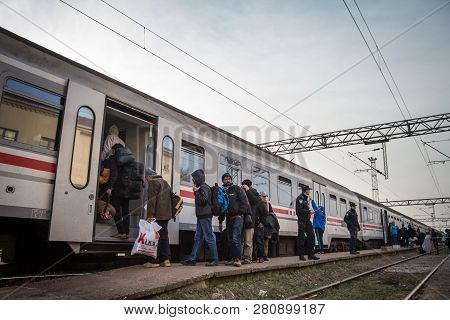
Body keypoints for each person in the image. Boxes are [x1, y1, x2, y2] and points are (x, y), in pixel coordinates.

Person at [181, 169, 219, 267]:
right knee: (198, 238)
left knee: (209, 237)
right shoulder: (202, 186)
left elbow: (204, 200)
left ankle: (214, 260)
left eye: (194, 178)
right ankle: (192, 259)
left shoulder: (203, 187)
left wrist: (196, 192)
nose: (193, 180)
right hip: (202, 215)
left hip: (205, 215)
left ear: (198, 178)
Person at [143, 168, 172, 268]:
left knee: (155, 237)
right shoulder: (165, 182)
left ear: (149, 176)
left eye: (146, 178)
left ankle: (154, 261)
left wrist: (150, 216)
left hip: (157, 215)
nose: (147, 180)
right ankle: (166, 260)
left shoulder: (153, 183)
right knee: (164, 237)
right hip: (166, 215)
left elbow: (151, 201)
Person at [218, 173, 249, 267]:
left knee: (236, 238)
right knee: (230, 239)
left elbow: (245, 202)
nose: (227, 180)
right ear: (223, 181)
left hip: (238, 217)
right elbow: (223, 207)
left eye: (229, 179)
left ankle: (238, 259)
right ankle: (232, 258)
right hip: (228, 218)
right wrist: (220, 221)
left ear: (231, 180)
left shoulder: (237, 189)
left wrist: (240, 212)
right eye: (225, 179)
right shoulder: (223, 191)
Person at [295, 185, 319, 261]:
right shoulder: (300, 198)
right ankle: (301, 255)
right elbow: (298, 210)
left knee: (311, 236)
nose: (309, 191)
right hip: (302, 221)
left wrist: (309, 213)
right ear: (305, 190)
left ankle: (311, 254)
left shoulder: (306, 199)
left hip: (307, 221)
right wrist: (309, 211)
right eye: (309, 190)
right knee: (301, 238)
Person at [241, 179, 259, 264]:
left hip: (250, 220)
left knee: (248, 241)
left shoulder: (254, 193)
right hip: (241, 219)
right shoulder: (241, 192)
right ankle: (239, 257)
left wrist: (248, 191)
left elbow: (254, 201)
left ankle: (247, 257)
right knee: (240, 240)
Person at [261, 192, 280, 260]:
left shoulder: (268, 204)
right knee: (260, 241)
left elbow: (271, 214)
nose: (264, 198)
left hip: (267, 225)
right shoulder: (258, 203)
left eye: (265, 196)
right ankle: (260, 255)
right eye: (263, 196)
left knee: (266, 241)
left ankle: (265, 255)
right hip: (261, 224)